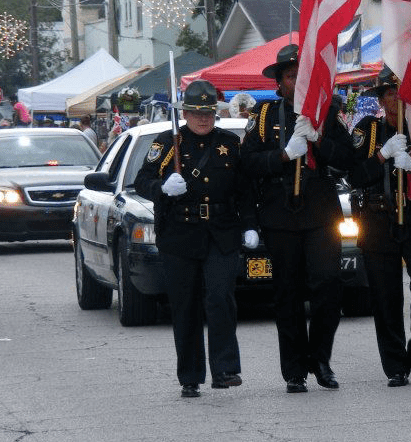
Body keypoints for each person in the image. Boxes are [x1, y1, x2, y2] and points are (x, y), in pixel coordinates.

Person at [240, 44, 354, 394]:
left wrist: (319, 141)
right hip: (279, 212)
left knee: (327, 285)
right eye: (292, 77)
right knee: (286, 293)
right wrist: (283, 155)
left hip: (319, 209)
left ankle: (320, 359)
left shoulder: (326, 113)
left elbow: (347, 159)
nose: (298, 82)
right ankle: (293, 369)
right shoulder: (262, 116)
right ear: (281, 83)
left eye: (303, 76)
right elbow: (248, 165)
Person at [134, 80, 258, 398]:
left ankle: (225, 369)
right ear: (185, 113)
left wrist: (250, 225)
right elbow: (142, 180)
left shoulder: (230, 142)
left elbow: (244, 190)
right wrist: (162, 189)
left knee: (220, 298)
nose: (203, 119)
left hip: (221, 231)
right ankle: (190, 376)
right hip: (180, 233)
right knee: (185, 304)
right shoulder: (169, 142)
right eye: (196, 113)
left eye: (208, 113)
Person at [347, 66, 411, 387]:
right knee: (385, 296)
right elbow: (353, 176)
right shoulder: (368, 130)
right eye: (391, 93)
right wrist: (382, 156)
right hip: (378, 219)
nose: (397, 99)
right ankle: (395, 365)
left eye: (403, 93)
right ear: (381, 98)